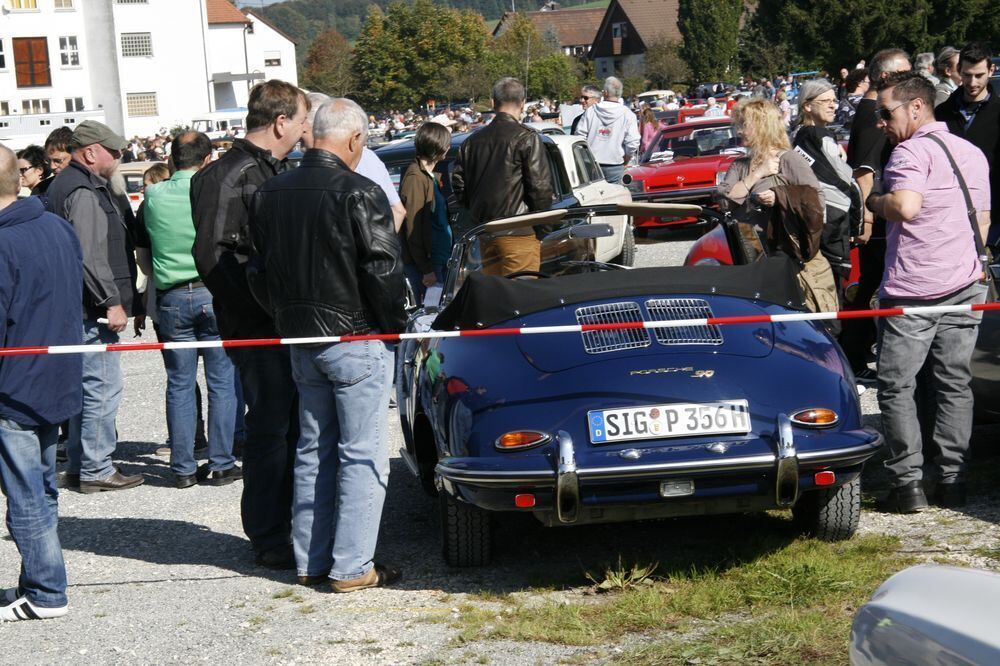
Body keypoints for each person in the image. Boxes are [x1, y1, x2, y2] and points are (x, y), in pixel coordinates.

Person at [249, 98, 407, 592]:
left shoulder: (268, 192)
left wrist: (283, 314)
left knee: (313, 449)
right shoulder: (360, 191)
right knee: (362, 453)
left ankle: (310, 560)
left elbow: (256, 271)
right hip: (354, 336)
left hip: (301, 337)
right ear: (356, 139)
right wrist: (394, 327)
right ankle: (352, 565)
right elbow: (383, 268)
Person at [191, 79, 310, 570]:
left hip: (285, 322)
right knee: (269, 429)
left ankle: (293, 526)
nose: (306, 129)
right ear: (281, 121)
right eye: (302, 120)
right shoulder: (229, 174)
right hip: (257, 328)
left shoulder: (276, 169)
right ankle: (267, 535)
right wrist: (267, 309)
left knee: (294, 428)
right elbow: (213, 258)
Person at [867, 71, 990, 513]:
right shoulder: (970, 152)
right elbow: (984, 221)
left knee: (896, 386)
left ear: (915, 107)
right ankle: (953, 480)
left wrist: (875, 202)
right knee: (954, 383)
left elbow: (906, 206)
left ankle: (907, 485)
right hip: (966, 283)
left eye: (886, 112)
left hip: (915, 289)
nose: (881, 121)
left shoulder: (909, 151)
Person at [0, 145, 82, 622]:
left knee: (26, 491)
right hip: (55, 378)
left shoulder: (9, 241)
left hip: (16, 387)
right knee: (42, 485)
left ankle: (48, 591)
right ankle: (39, 579)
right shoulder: (55, 225)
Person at [47, 120, 144, 494]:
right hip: (94, 310)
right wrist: (112, 302)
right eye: (114, 151)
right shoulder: (83, 190)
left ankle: (80, 465)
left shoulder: (69, 185)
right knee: (102, 388)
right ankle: (97, 468)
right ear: (91, 152)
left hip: (81, 307)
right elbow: (90, 255)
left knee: (87, 390)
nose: (119, 157)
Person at [142, 132, 239, 488]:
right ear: (207, 160)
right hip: (211, 291)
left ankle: (182, 468)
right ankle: (221, 461)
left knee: (179, 384)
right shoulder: (209, 190)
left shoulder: (152, 195)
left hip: (171, 295)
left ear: (171, 158)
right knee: (221, 382)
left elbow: (144, 250)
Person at [718, 98, 837, 314]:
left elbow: (817, 203)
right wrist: (758, 173)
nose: (739, 130)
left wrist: (780, 197)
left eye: (744, 124)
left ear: (763, 126)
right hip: (750, 262)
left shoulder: (789, 159)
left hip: (790, 262)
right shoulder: (740, 165)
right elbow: (725, 200)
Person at [842, 48, 911, 382]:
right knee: (871, 288)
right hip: (878, 221)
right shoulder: (874, 115)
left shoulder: (872, 109)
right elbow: (865, 173)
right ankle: (856, 356)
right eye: (905, 72)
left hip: (880, 216)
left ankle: (861, 350)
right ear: (885, 77)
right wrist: (868, 220)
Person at [452, 77, 554, 277]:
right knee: (523, 299)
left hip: (485, 231)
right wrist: (542, 228)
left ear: (492, 103)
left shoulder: (472, 141)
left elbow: (459, 185)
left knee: (497, 298)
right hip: (519, 230)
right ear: (523, 103)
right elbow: (540, 188)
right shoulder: (527, 137)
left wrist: (478, 213)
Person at [792, 78, 856, 288]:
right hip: (830, 222)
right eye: (825, 101)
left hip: (811, 222)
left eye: (834, 100)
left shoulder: (796, 135)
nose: (832, 105)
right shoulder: (817, 135)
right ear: (808, 106)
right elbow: (846, 181)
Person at [935, 42, 1000, 244]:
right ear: (958, 72)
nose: (972, 82)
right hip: (950, 214)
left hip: (993, 212)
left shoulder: (998, 113)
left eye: (979, 75)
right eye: (967, 75)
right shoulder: (942, 113)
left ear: (991, 70)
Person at [399, 121, 452, 304]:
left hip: (438, 261)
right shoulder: (415, 179)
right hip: (429, 266)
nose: (449, 147)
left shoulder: (428, 176)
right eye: (447, 143)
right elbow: (412, 228)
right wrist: (426, 268)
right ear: (438, 147)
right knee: (431, 318)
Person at [575, 76, 641, 183]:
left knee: (594, 198)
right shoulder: (628, 115)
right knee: (615, 197)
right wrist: (626, 160)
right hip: (615, 164)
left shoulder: (591, 111)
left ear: (605, 93)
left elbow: (579, 137)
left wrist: (585, 158)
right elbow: (633, 142)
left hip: (592, 164)